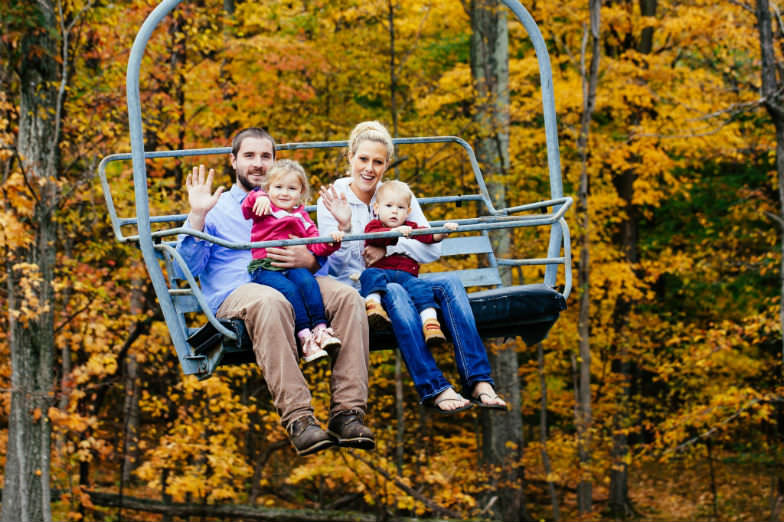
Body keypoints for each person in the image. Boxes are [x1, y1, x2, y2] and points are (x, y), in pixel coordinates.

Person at [176, 127, 374, 456]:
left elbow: (318, 265)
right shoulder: (219, 207)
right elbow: (189, 267)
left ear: (275, 162)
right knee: (271, 301)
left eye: (265, 156)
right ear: (234, 161)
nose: (258, 164)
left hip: (293, 279)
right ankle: (299, 419)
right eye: (249, 156)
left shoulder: (288, 202)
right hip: (240, 290)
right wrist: (197, 214)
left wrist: (310, 257)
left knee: (347, 297)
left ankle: (347, 413)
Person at [317, 121, 508, 414]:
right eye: (363, 159)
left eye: (377, 162)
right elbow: (334, 264)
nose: (369, 168)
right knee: (394, 291)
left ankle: (478, 380)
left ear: (386, 165)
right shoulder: (333, 198)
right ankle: (435, 387)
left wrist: (390, 244)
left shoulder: (396, 194)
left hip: (404, 277)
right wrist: (345, 227)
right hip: (363, 290)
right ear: (350, 158)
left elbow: (431, 248)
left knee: (450, 284)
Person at [242, 159, 345, 363]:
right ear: (268, 188)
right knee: (290, 290)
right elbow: (247, 209)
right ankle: (304, 336)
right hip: (266, 267)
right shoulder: (264, 207)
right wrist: (258, 196)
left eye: (291, 188)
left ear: (301, 193)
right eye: (278, 187)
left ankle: (320, 329)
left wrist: (332, 240)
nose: (284, 193)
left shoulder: (302, 217)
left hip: (293, 265)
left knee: (307, 282)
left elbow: (316, 245)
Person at [359, 179, 458, 349]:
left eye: (400, 208)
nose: (394, 211)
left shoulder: (410, 227)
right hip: (383, 275)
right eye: (389, 206)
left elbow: (428, 237)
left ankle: (431, 324)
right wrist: (394, 233)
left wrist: (442, 233)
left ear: (408, 212)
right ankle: (374, 306)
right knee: (369, 275)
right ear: (377, 208)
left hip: (407, 276)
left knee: (422, 289)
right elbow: (375, 237)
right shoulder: (373, 226)